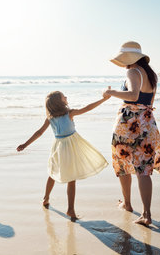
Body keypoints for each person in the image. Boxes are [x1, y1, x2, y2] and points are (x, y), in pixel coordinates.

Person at [16, 91, 109, 220]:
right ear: (60, 102)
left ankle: (45, 198)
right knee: (71, 178)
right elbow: (87, 108)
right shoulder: (69, 114)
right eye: (63, 97)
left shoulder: (50, 118)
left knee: (52, 173)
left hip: (58, 147)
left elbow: (39, 132)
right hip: (70, 146)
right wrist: (103, 100)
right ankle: (70, 209)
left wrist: (25, 144)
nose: (66, 97)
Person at [104, 41, 160, 226]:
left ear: (127, 59)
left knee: (123, 164)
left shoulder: (132, 71)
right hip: (147, 123)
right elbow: (148, 101)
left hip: (128, 125)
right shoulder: (150, 75)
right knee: (143, 170)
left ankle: (128, 204)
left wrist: (110, 92)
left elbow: (133, 95)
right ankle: (146, 214)